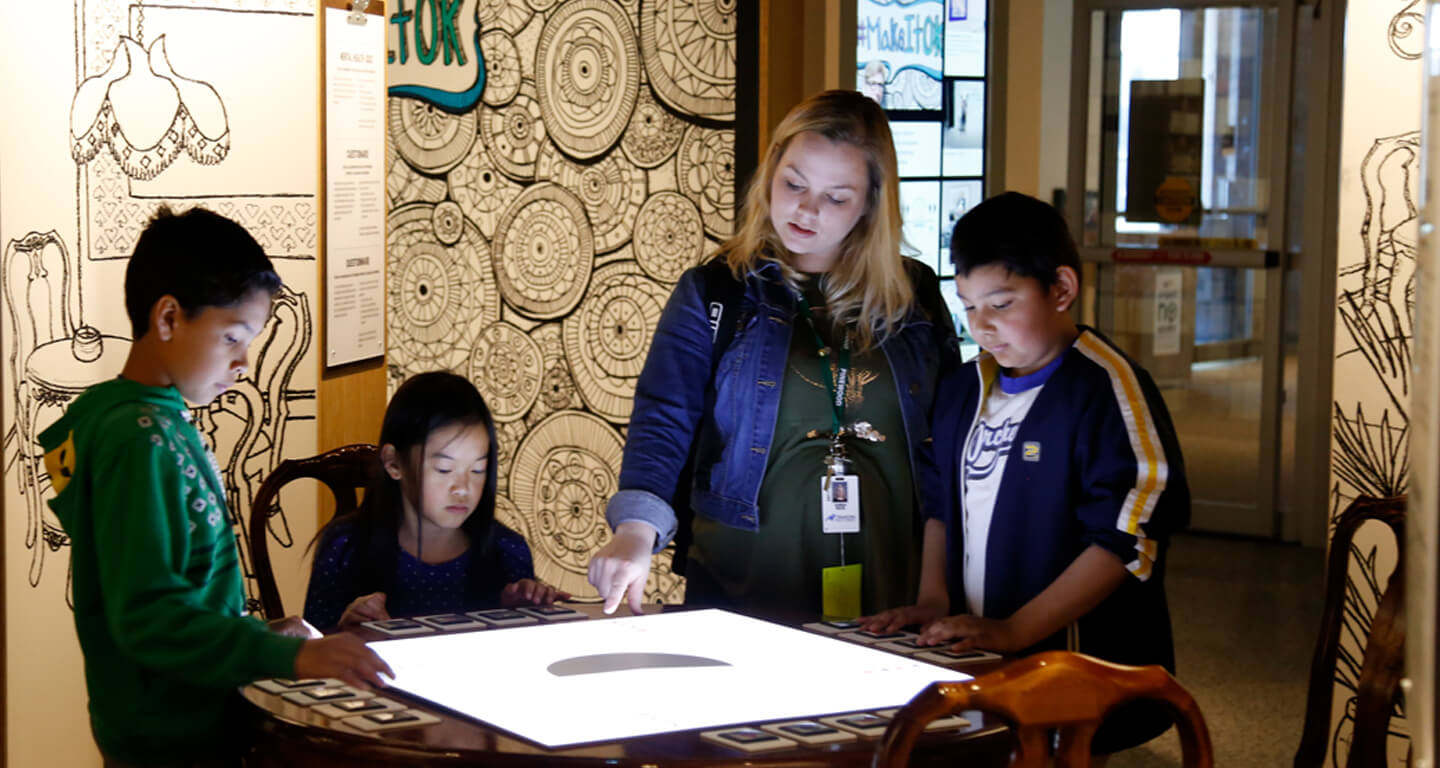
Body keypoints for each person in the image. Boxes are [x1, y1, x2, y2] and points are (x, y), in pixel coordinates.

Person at [38, 205, 392, 767]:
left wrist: (258, 634)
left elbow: (176, 594)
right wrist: (287, 658)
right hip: (172, 738)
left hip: (182, 720)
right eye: (232, 337)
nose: (244, 361)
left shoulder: (136, 419)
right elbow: (150, 618)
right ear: (169, 318)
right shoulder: (135, 438)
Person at [588, 89, 959, 620]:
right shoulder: (718, 291)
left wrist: (935, 591)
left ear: (871, 204)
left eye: (837, 197)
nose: (807, 209)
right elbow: (664, 419)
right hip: (746, 587)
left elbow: (944, 450)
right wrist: (634, 532)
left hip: (893, 592)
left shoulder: (914, 297)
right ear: (771, 172)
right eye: (794, 183)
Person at [863, 192, 1190, 754]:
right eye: (968, 306)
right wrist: (934, 599)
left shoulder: (1107, 388)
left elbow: (1125, 540)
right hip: (988, 660)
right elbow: (942, 502)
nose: (982, 326)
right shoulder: (965, 388)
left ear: (1061, 289)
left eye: (1002, 303)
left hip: (1078, 667)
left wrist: (1018, 629)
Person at [303, 371, 565, 630]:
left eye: (477, 470)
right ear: (394, 463)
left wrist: (519, 614)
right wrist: (348, 630)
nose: (463, 489)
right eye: (444, 470)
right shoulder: (345, 547)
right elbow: (310, 655)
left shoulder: (507, 551)